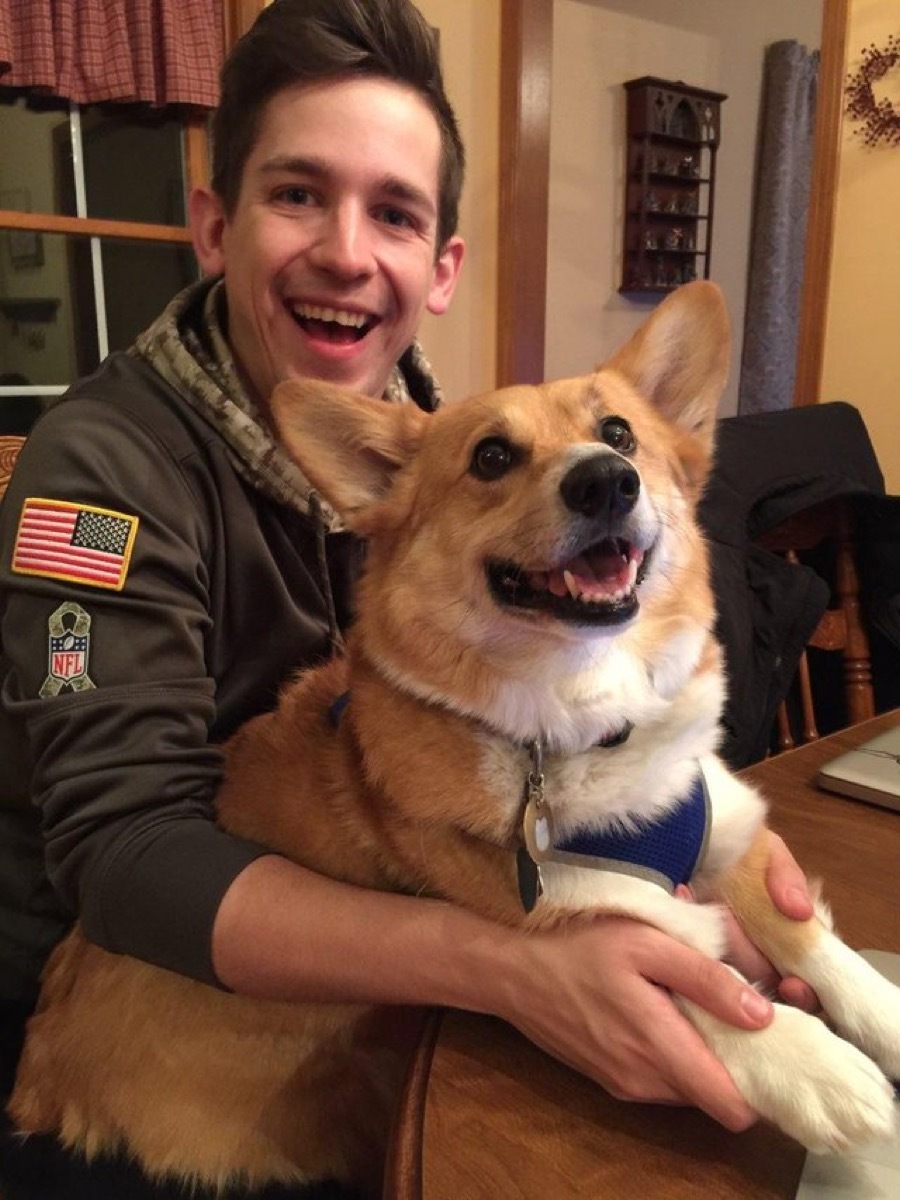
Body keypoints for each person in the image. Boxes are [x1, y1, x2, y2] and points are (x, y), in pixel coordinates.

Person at [0, 1, 818, 1196]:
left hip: (401, 967)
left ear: (441, 268)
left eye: (393, 212)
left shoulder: (455, 450)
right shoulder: (99, 476)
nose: (346, 251)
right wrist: (514, 965)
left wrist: (694, 835)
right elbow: (124, 855)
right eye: (298, 194)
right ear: (216, 226)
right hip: (150, 1054)